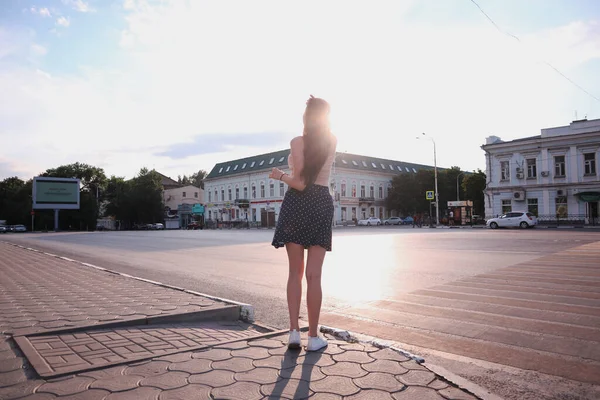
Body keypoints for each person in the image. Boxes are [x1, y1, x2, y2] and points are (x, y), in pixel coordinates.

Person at [269, 95, 337, 352]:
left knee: (295, 273)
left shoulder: (297, 142)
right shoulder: (331, 141)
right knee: (314, 275)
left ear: (306, 118)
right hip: (321, 203)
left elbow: (299, 183)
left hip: (297, 204)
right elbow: (311, 180)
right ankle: (314, 337)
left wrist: (280, 175)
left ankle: (294, 333)